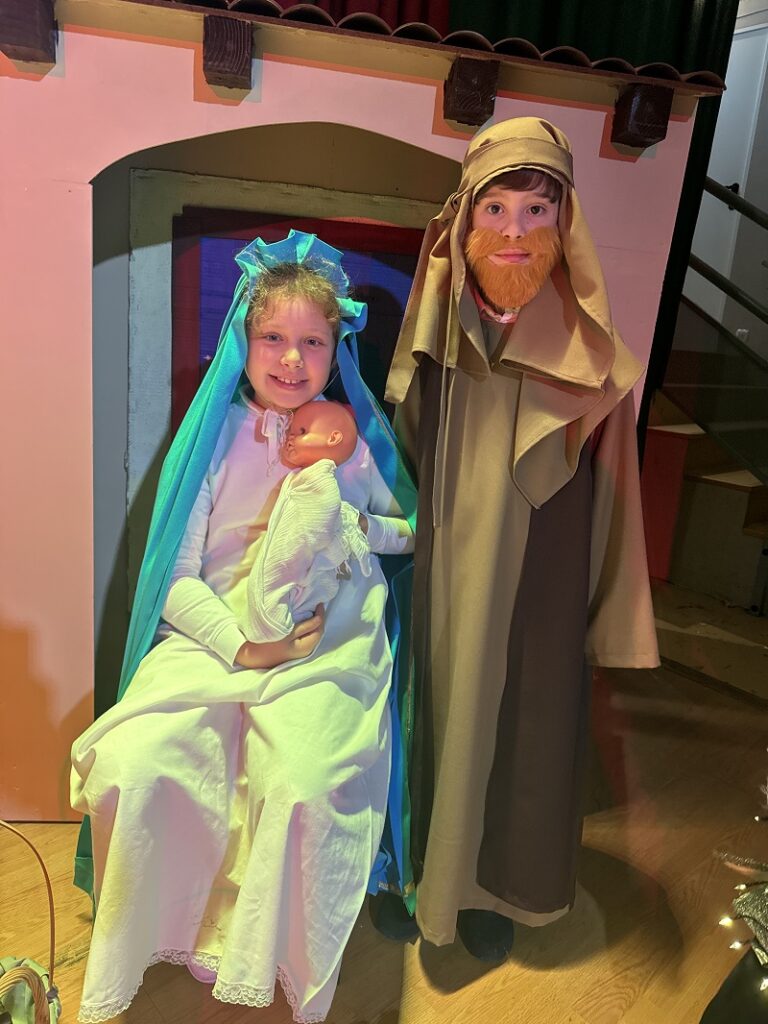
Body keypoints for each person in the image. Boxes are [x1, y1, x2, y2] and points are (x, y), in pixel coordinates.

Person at [70, 232, 415, 1023]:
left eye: (312, 342)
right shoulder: (216, 440)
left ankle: (260, 948)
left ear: (335, 350)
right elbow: (177, 581)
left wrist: (359, 529)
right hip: (216, 634)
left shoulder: (351, 444)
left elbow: (404, 532)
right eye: (273, 338)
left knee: (298, 777)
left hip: (322, 645)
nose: (292, 359)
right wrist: (243, 646)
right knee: (142, 758)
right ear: (244, 340)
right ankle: (172, 926)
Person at [378, 117, 660, 960]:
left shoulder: (598, 365)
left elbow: (619, 510)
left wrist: (612, 621)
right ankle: (408, 876)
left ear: (565, 226)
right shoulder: (431, 344)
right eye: (495, 209)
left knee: (519, 736)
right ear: (464, 223)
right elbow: (396, 464)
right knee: (415, 719)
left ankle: (489, 891)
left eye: (538, 211)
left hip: (536, 590)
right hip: (436, 581)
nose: (514, 232)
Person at [245, 399, 375, 645]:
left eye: (302, 432)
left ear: (333, 438)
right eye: (291, 432)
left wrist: (352, 526)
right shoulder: (306, 478)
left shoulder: (320, 484)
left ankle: (274, 615)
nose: (290, 438)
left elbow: (314, 531)